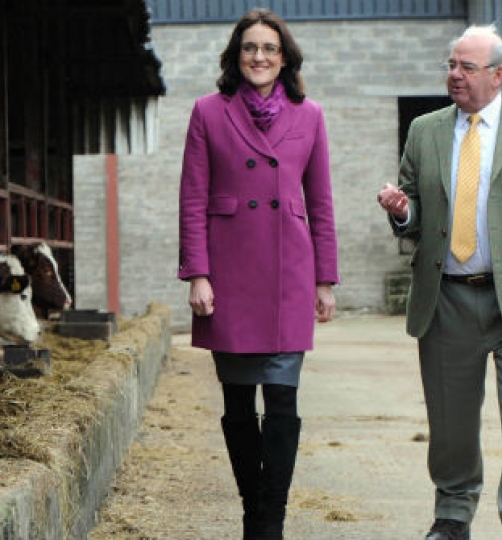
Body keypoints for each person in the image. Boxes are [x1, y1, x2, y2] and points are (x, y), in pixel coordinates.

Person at [177, 8, 339, 540]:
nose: (260, 57)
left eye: (270, 48)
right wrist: (198, 273)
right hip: (229, 275)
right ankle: (252, 509)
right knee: (239, 400)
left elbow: (320, 202)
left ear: (285, 58)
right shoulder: (207, 112)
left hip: (290, 273)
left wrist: (325, 280)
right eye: (250, 47)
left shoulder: (309, 115)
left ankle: (272, 522)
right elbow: (193, 198)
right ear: (235, 55)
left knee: (285, 397)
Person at [377, 24, 502, 540]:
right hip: (449, 294)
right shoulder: (425, 131)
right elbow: (415, 207)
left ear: (497, 76)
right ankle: (452, 516)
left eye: (466, 67)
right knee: (450, 421)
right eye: (450, 65)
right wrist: (404, 213)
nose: (453, 75)